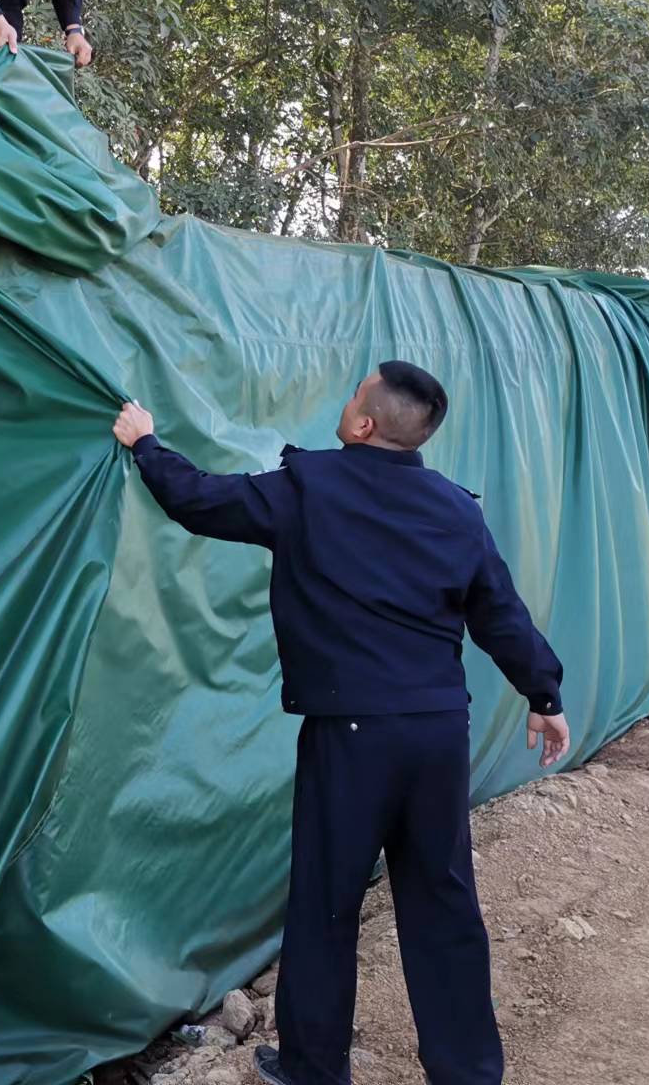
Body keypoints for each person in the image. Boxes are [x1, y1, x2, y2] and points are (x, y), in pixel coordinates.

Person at [110, 362, 572, 1085]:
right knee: (443, 900)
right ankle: (469, 1072)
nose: (346, 398)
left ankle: (313, 1068)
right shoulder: (455, 508)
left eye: (354, 392)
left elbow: (200, 502)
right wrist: (544, 697)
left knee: (326, 901)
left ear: (363, 424)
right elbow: (500, 615)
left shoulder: (308, 489)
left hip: (353, 735)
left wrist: (145, 444)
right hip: (438, 732)